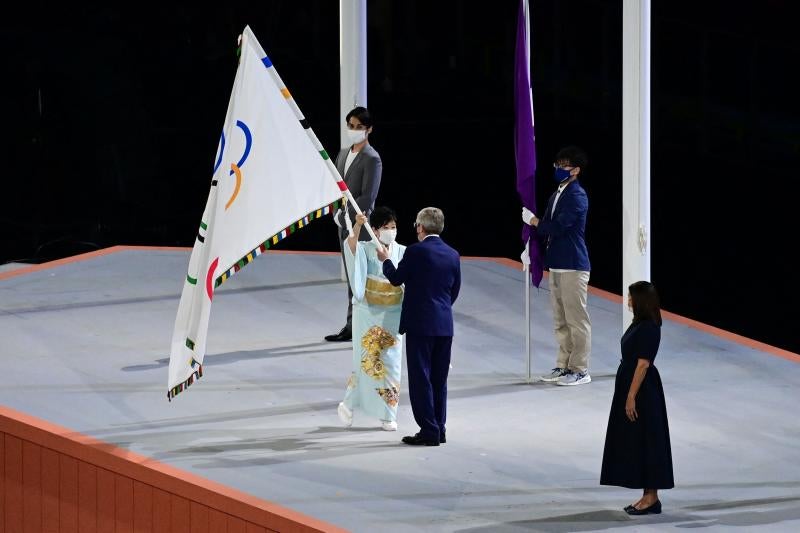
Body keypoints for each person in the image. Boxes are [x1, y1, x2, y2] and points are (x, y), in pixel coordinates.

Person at [377, 207, 461, 446]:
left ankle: (429, 430)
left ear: (420, 227)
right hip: (444, 325)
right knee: (439, 380)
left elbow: (395, 278)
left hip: (420, 326)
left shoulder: (415, 252)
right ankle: (439, 428)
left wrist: (385, 260)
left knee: (421, 379)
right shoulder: (453, 254)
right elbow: (454, 290)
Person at [600, 281, 674, 514]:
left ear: (641, 301)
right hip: (632, 386)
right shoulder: (639, 323)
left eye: (631, 298)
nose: (628, 301)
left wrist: (631, 396)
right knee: (638, 441)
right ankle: (647, 496)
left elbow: (643, 365)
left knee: (648, 441)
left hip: (643, 392)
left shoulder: (649, 327)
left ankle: (652, 498)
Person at [522, 145, 592, 386]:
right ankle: (563, 365)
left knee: (576, 320)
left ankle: (580, 369)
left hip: (574, 265)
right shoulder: (557, 193)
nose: (559, 169)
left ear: (576, 170)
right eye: (558, 164)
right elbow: (546, 228)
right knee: (560, 320)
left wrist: (533, 221)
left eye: (564, 165)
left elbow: (558, 227)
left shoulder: (577, 196)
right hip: (557, 265)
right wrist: (529, 248)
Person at [337, 207, 406, 431]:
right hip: (367, 312)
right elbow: (350, 248)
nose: (391, 231)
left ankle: (388, 414)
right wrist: (357, 225)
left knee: (391, 364)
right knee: (366, 362)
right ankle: (348, 404)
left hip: (393, 314)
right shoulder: (366, 248)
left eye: (393, 227)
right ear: (375, 230)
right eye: (386, 228)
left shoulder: (403, 251)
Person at [325, 106, 383, 342]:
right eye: (351, 126)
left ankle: (364, 326)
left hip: (359, 226)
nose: (354, 130)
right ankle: (352, 326)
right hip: (344, 225)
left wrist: (345, 216)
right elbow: (337, 188)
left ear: (369, 129)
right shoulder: (342, 154)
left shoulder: (372, 158)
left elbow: (367, 197)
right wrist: (336, 213)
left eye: (359, 127)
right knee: (351, 278)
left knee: (362, 278)